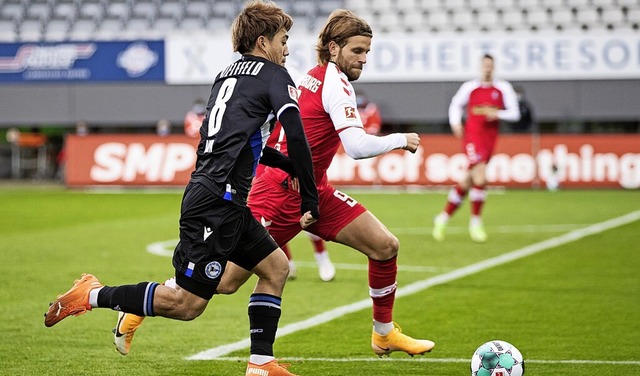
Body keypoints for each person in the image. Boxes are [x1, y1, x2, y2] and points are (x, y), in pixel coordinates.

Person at [44, 2, 319, 376]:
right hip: (215, 202)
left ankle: (260, 363)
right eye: (284, 40)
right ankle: (91, 294)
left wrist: (286, 166)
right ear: (262, 41)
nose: (288, 49)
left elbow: (233, 139)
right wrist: (310, 194)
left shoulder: (227, 75)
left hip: (222, 198)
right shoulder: (275, 75)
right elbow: (297, 134)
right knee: (186, 305)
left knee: (276, 268)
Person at [243, 9, 433, 357]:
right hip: (277, 194)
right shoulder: (334, 82)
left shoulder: (309, 77)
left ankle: (384, 333)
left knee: (385, 246)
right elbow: (357, 146)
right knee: (221, 283)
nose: (363, 60)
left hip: (314, 191)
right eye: (356, 51)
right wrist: (401, 139)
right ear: (333, 48)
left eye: (367, 52)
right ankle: (153, 299)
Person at [432, 54, 520, 243]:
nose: (487, 68)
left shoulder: (503, 88)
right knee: (480, 176)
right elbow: (456, 104)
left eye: (490, 66)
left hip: (490, 138)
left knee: (467, 181)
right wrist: (455, 123)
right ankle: (476, 223)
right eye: (485, 65)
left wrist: (498, 114)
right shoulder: (470, 87)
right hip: (472, 136)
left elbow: (515, 114)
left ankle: (442, 218)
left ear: (494, 67)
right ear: (481, 67)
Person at [262, 120, 336, 282]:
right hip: (263, 157)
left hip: (289, 155)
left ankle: (322, 256)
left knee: (306, 210)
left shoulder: (286, 102)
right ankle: (287, 261)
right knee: (269, 217)